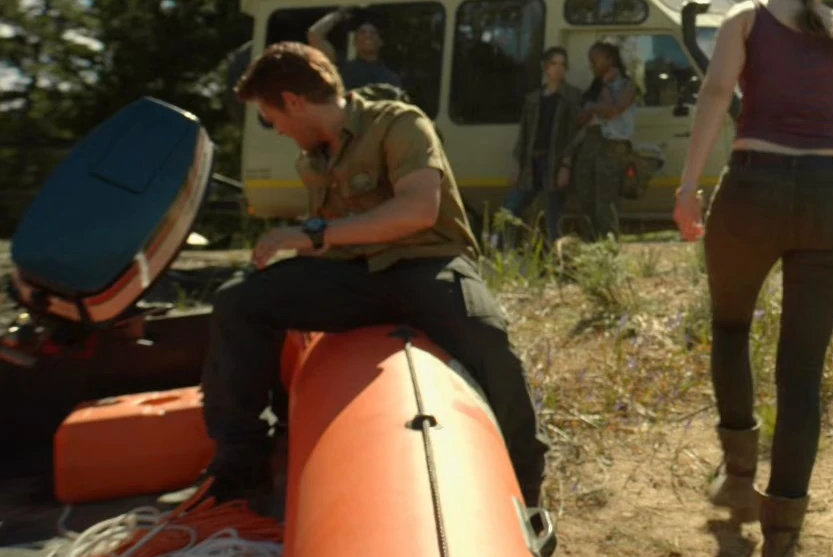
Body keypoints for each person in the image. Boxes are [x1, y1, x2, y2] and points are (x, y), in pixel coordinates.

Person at [205, 42, 551, 518]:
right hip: (353, 276)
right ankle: (242, 467)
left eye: (273, 118)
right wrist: (300, 254)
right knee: (238, 302)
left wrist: (314, 234)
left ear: (294, 101)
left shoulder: (399, 123)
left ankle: (525, 489)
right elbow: (336, 235)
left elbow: (418, 210)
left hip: (425, 264)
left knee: (486, 337)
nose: (278, 130)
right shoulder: (312, 159)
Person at [674, 0, 833, 557]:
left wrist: (687, 187)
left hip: (752, 191)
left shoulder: (746, 19)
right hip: (828, 203)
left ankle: (738, 476)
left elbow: (715, 93)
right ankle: (780, 555)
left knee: (731, 327)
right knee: (801, 376)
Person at [501, 46, 582, 249]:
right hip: (531, 162)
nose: (559, 68)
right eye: (554, 64)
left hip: (554, 162)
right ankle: (507, 250)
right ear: (545, 67)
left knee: (553, 215)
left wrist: (566, 165)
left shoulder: (571, 96)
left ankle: (557, 257)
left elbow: (575, 133)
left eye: (563, 64)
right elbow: (524, 133)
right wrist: (518, 164)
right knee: (510, 209)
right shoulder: (533, 99)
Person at [569, 40, 637, 241]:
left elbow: (613, 111)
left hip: (613, 144)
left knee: (606, 196)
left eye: (595, 60)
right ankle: (590, 237)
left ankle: (608, 240)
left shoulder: (627, 86)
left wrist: (604, 89)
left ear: (610, 60)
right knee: (584, 190)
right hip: (591, 140)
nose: (591, 66)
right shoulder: (593, 88)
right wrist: (592, 108)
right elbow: (579, 119)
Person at [306, 8, 406, 93]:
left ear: (380, 42)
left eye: (373, 32)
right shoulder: (342, 66)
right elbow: (314, 34)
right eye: (362, 32)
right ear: (354, 42)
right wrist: (341, 12)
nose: (368, 35)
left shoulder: (390, 77)